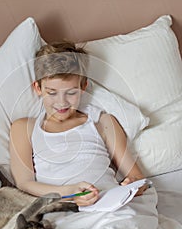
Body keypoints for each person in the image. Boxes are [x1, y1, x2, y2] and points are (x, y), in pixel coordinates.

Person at [9, 41, 147, 207]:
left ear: (84, 87)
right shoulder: (24, 128)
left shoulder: (102, 122)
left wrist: (132, 186)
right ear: (38, 88)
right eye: (52, 93)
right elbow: (24, 184)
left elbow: (138, 178)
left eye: (71, 93)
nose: (61, 102)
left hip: (110, 204)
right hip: (62, 209)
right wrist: (71, 193)